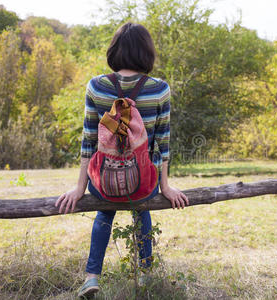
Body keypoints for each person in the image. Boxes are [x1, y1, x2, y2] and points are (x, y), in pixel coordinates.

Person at [55, 22, 189, 298]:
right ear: (146, 52)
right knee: (142, 209)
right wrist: (165, 187)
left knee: (105, 211)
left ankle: (92, 277)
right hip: (144, 184)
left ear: (114, 50)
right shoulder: (160, 90)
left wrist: (80, 187)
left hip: (103, 182)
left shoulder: (96, 86)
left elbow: (88, 140)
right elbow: (162, 144)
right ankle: (146, 275)